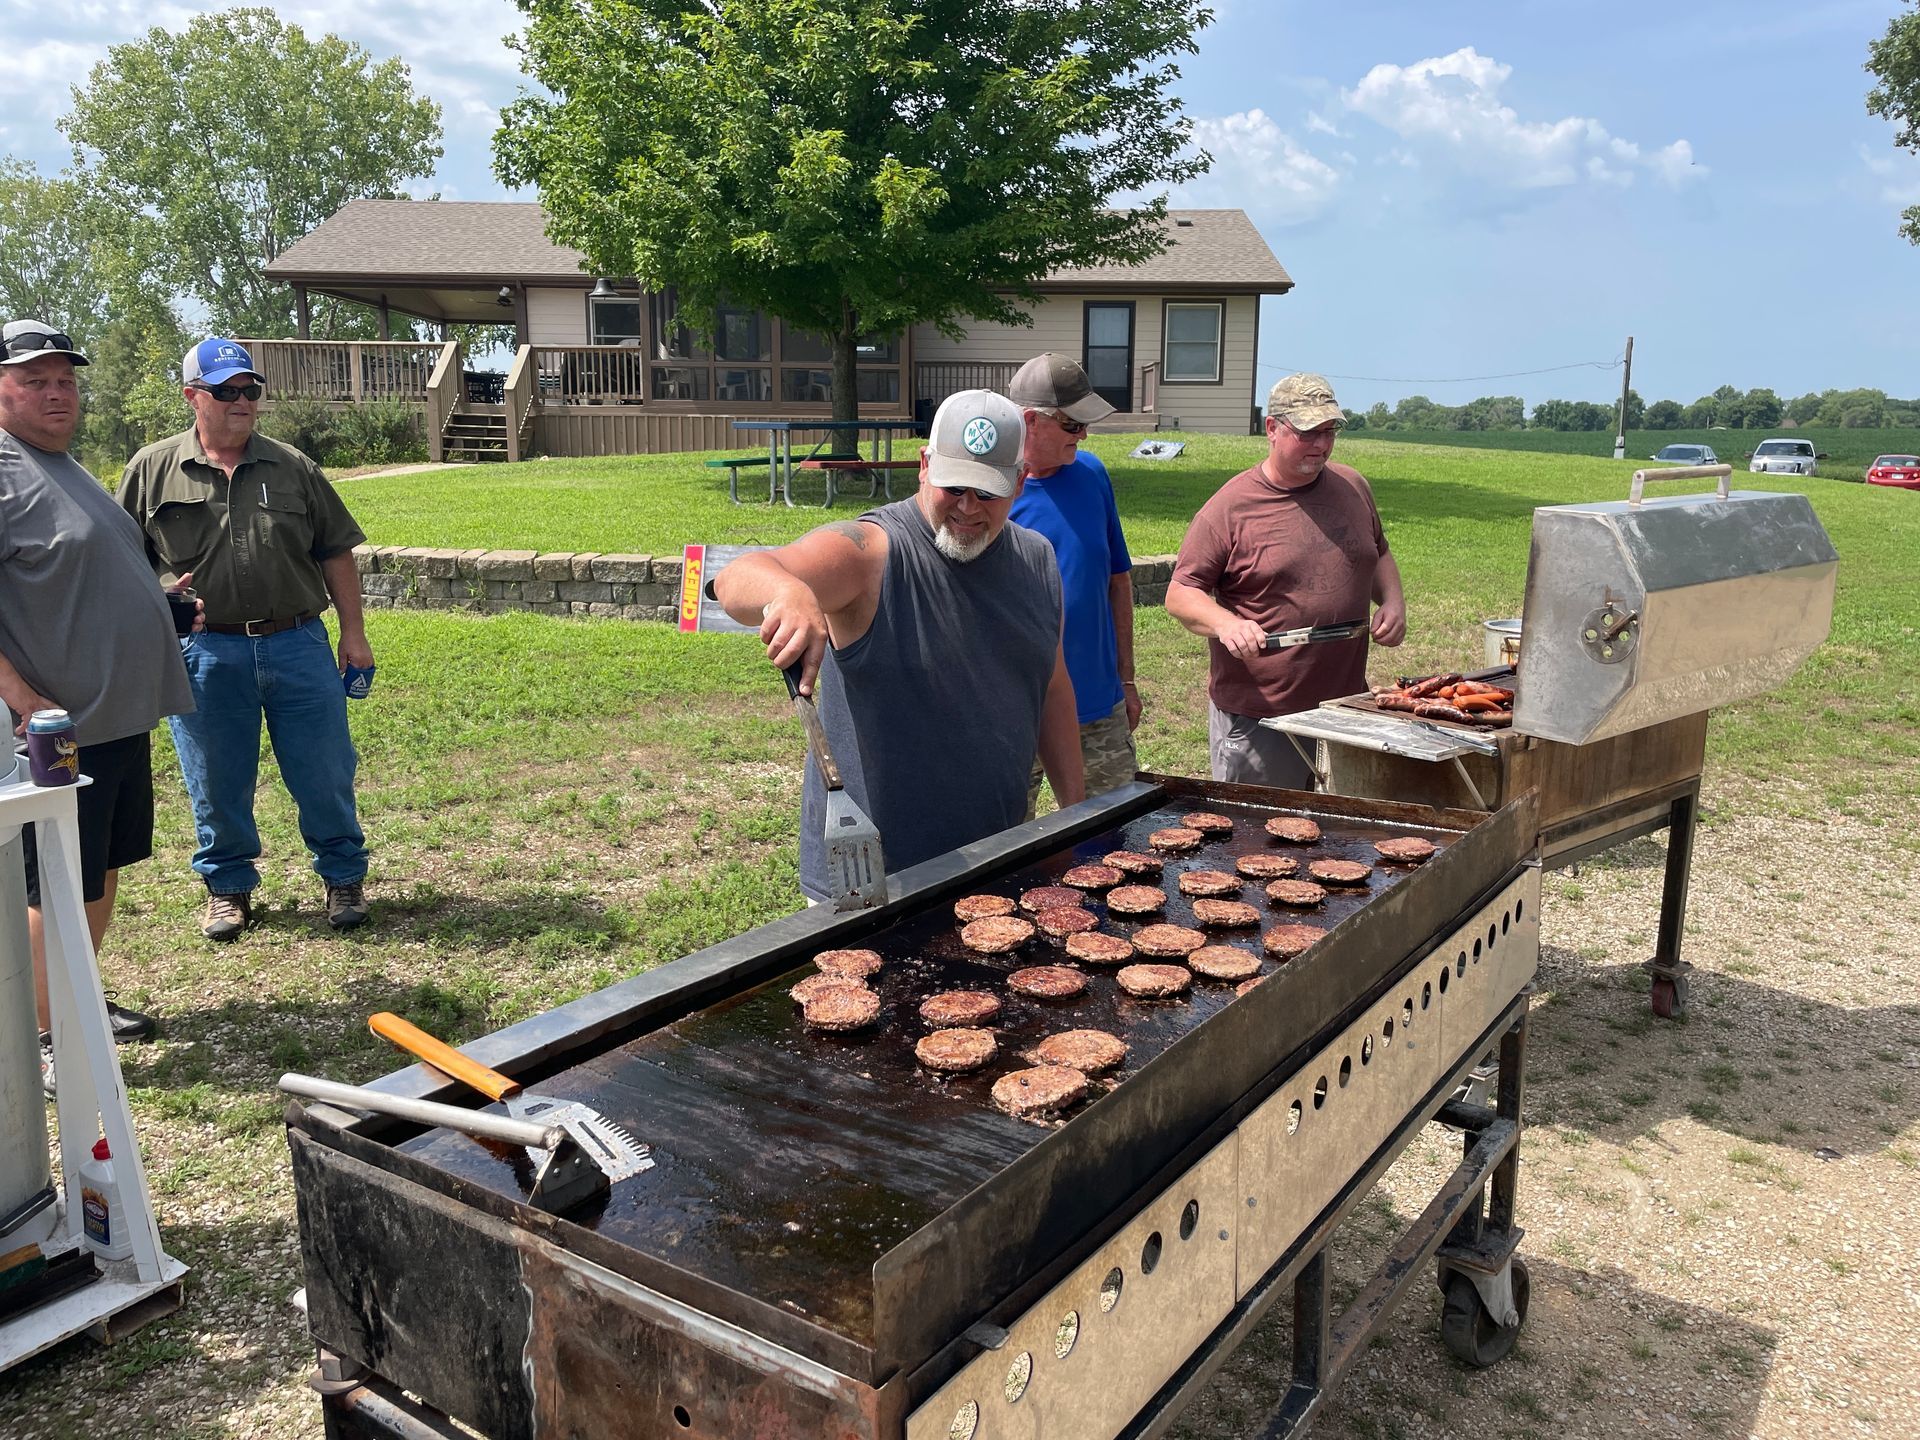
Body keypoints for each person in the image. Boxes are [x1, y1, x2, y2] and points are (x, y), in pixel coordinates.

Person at [714, 389, 1085, 902]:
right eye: (953, 486)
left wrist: (1074, 817)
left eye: (988, 491)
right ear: (924, 466)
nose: (968, 507)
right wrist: (788, 591)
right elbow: (737, 577)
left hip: (995, 861)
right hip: (872, 876)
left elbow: (1051, 685)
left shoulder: (1038, 561)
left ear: (1020, 481)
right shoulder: (870, 554)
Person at [118, 338, 374, 939]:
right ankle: (228, 888)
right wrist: (159, 593)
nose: (242, 401)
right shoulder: (150, 470)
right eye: (226, 391)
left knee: (324, 771)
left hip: (298, 643)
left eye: (250, 390)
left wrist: (354, 635)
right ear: (192, 398)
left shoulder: (293, 466)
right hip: (205, 653)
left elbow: (336, 551)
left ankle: (343, 878)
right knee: (214, 776)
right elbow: (122, 558)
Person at [0, 319, 197, 1085]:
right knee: (53, 882)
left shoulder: (60, 464)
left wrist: (160, 606)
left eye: (66, 379)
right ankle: (47, 1042)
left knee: (98, 871)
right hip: (50, 733)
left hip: (111, 721)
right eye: (35, 380)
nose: (57, 392)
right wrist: (21, 698)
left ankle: (75, 1004)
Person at [1166, 372, 1406, 789]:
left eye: (1329, 431)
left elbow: (1379, 551)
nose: (1321, 445)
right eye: (1308, 433)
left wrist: (1392, 600)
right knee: (1259, 846)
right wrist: (1227, 624)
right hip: (1263, 718)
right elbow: (1181, 593)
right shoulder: (1230, 508)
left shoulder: (1353, 486)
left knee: (1339, 840)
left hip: (1345, 709)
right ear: (1272, 429)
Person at [1006, 353, 1141, 812]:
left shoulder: (1093, 474)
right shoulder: (989, 491)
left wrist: (1126, 681)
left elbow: (1118, 583)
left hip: (1098, 708)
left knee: (1110, 850)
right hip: (1015, 712)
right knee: (1000, 855)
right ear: (1030, 421)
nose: (1083, 434)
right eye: (1072, 424)